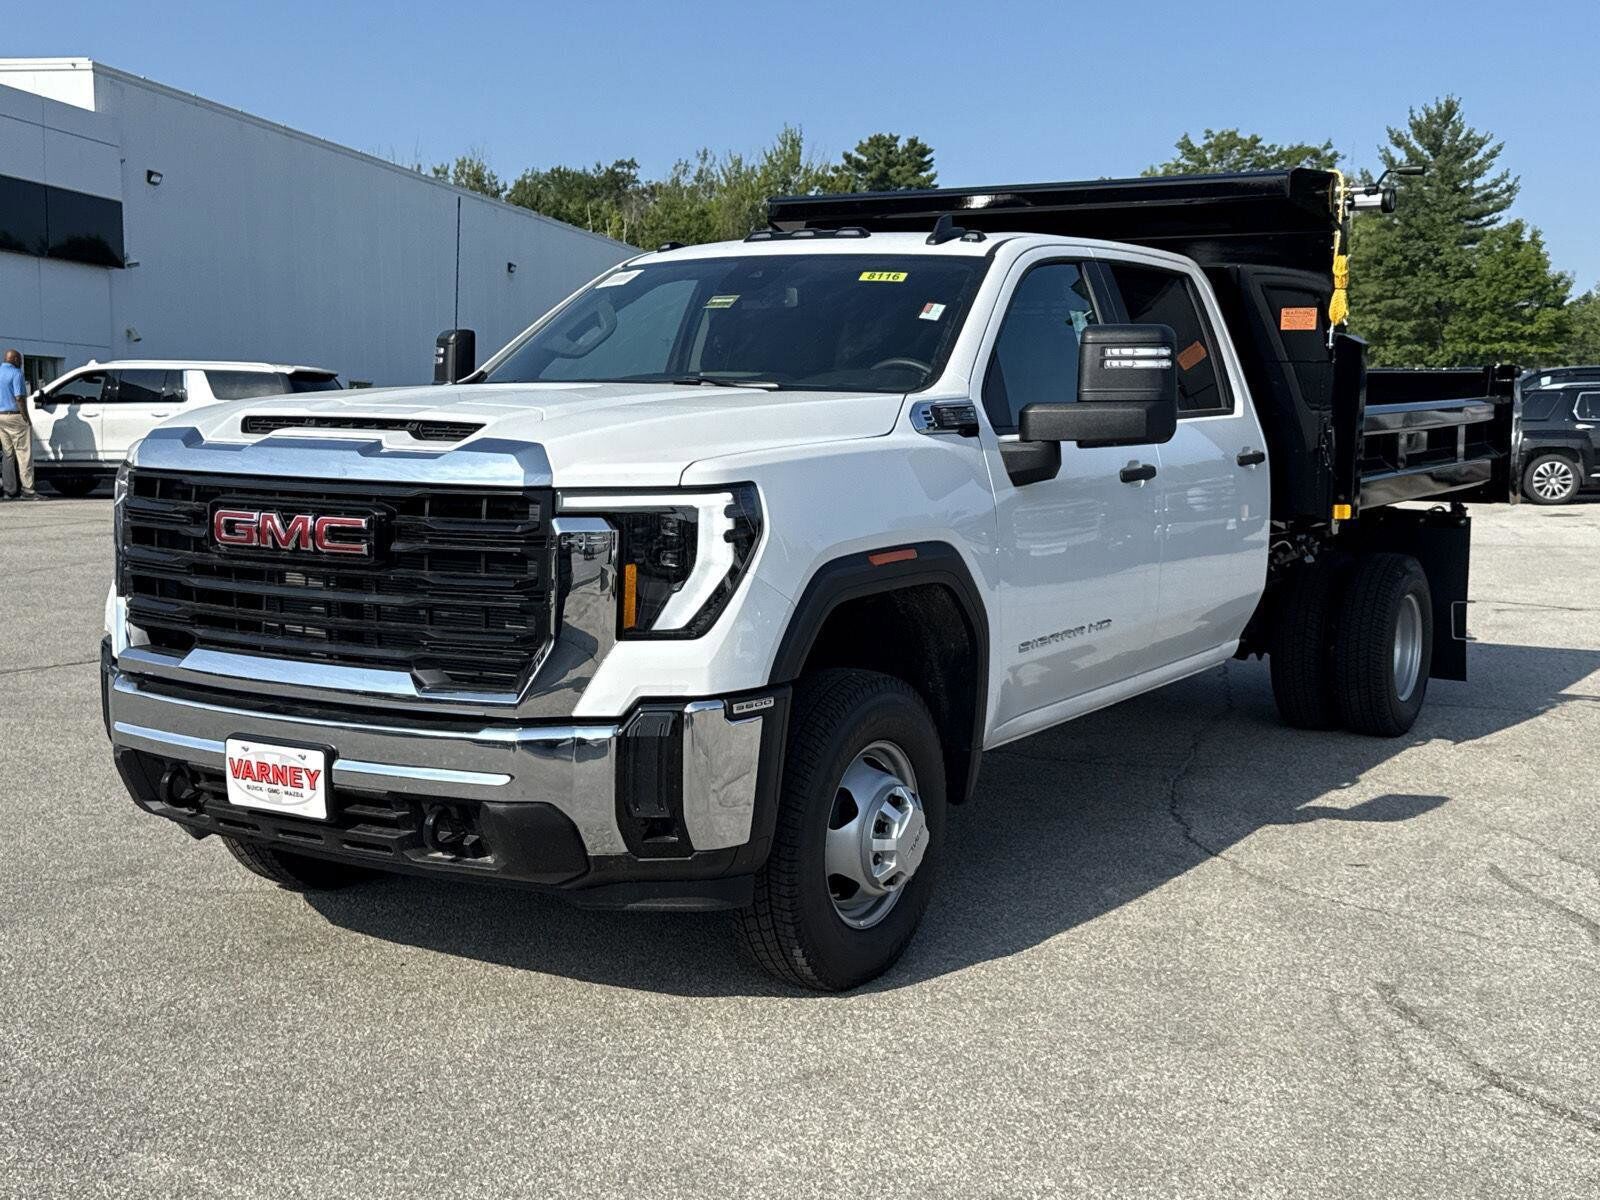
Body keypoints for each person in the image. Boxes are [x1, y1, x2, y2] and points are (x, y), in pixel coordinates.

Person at [0, 349, 41, 501]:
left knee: (7, 454)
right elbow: (19, 398)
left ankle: (9, 490)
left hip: (1, 417)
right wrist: (26, 417)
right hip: (15, 416)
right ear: (16, 359)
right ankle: (28, 490)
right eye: (21, 361)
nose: (22, 364)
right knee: (24, 453)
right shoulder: (16, 374)